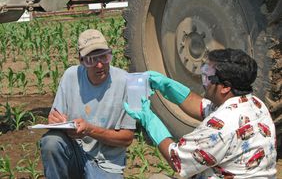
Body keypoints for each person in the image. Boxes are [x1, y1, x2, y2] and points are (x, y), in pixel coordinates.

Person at [124, 48, 277, 178]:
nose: (203, 81)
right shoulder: (255, 104)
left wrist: (149, 120)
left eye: (207, 77)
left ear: (225, 87)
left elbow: (177, 159)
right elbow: (201, 107)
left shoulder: (220, 127)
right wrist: (167, 86)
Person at [40, 29, 136, 179]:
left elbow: (127, 138)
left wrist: (90, 130)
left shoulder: (126, 82)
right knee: (51, 142)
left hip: (107, 164)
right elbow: (56, 118)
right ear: (82, 60)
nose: (99, 65)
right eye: (92, 59)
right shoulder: (70, 76)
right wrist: (55, 122)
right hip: (76, 154)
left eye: (104, 57)